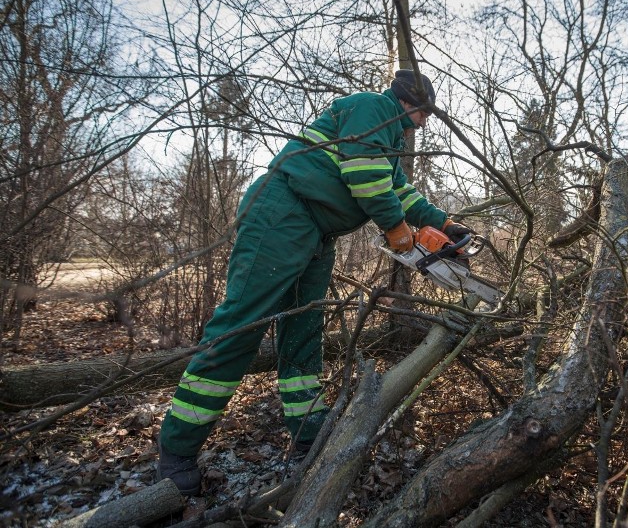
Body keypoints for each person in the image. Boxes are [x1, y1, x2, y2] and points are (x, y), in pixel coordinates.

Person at [156, 69, 471, 496]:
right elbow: (367, 179)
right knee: (241, 326)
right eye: (424, 115)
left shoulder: (389, 144)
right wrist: (396, 229)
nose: (425, 124)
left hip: (318, 232)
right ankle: (177, 450)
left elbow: (400, 192)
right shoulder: (372, 108)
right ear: (412, 104)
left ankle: (308, 436)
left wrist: (443, 225)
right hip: (284, 210)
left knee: (304, 334)